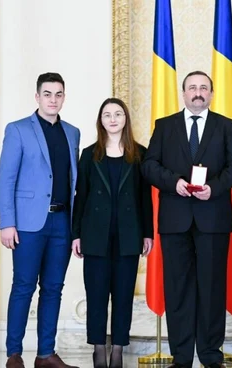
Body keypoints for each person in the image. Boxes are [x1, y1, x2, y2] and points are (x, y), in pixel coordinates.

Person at [142, 71, 232, 368]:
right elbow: (149, 165)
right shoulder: (165, 126)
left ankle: (212, 355)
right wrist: (174, 183)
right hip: (175, 219)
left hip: (213, 217)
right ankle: (182, 356)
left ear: (211, 93)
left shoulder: (226, 126)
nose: (197, 92)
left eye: (203, 88)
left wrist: (214, 188)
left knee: (212, 289)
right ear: (182, 93)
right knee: (178, 289)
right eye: (192, 88)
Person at [0, 72, 80, 368]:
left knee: (54, 288)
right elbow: (5, 179)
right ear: (37, 97)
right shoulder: (18, 130)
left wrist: (76, 227)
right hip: (28, 224)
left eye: (58, 94)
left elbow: (73, 181)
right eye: (47, 94)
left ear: (64, 97)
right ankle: (14, 353)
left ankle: (46, 353)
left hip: (62, 222)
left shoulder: (72, 132)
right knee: (23, 285)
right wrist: (7, 222)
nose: (53, 100)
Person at [71, 98, 154, 368]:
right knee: (96, 295)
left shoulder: (139, 154)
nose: (113, 119)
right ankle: (98, 348)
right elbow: (80, 197)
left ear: (125, 119)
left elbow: (145, 199)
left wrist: (148, 234)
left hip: (128, 236)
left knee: (122, 296)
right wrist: (76, 235)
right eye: (107, 114)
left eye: (118, 114)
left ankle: (117, 349)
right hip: (95, 236)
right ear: (101, 120)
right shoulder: (89, 154)